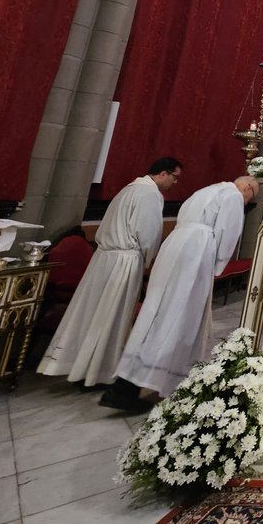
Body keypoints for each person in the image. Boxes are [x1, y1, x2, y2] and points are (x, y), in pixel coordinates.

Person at [102, 175, 258, 409]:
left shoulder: (205, 190)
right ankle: (144, 383)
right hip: (196, 254)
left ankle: (129, 381)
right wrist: (218, 266)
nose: (246, 202)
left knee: (155, 312)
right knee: (178, 318)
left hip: (174, 247)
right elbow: (228, 232)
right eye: (251, 197)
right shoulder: (233, 196)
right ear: (246, 187)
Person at [38, 157, 182, 387]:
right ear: (163, 173)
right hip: (124, 262)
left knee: (94, 313)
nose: (175, 183)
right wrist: (148, 259)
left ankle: (79, 365)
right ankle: (97, 371)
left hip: (105, 258)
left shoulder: (129, 189)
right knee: (110, 316)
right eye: (175, 177)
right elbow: (147, 233)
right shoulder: (149, 194)